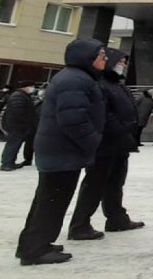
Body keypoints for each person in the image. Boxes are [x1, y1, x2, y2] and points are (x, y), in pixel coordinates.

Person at [14, 39, 107, 265]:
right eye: (101, 54)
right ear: (86, 57)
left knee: (47, 199)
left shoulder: (74, 77)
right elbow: (73, 119)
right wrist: (93, 141)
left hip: (59, 149)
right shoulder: (75, 80)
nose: (105, 59)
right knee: (53, 201)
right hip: (63, 150)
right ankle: (36, 249)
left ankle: (31, 243)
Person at [68, 49, 143, 238]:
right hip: (105, 143)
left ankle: (116, 217)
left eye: (125, 62)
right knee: (95, 184)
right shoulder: (100, 84)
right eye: (121, 61)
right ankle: (80, 224)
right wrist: (120, 129)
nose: (123, 65)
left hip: (120, 143)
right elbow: (103, 114)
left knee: (115, 182)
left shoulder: (117, 84)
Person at [0, 81, 39, 171]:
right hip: (16, 125)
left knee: (15, 144)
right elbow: (18, 112)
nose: (32, 89)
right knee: (13, 144)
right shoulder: (18, 96)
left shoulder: (21, 95)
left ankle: (10, 161)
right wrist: (26, 121)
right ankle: (7, 163)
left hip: (17, 124)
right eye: (31, 86)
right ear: (26, 87)